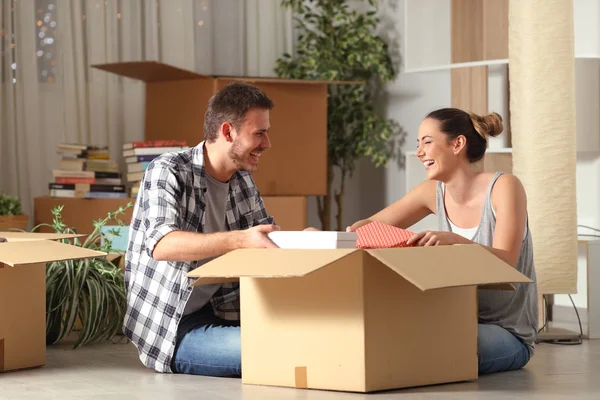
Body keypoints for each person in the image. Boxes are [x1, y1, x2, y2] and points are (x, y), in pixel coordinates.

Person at [347, 107, 538, 375]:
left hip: (507, 333)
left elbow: (507, 261)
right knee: (389, 339)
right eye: (418, 144)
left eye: (427, 142)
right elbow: (367, 228)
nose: (419, 153)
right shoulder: (432, 192)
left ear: (457, 143)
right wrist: (341, 233)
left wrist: (454, 241)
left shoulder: (504, 187)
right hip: (454, 320)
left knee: (414, 350)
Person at [124, 82, 281, 377]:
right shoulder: (166, 170)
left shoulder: (242, 180)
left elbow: (261, 242)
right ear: (227, 132)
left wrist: (301, 241)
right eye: (259, 133)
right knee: (276, 351)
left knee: (309, 336)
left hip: (225, 312)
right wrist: (240, 240)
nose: (267, 143)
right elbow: (162, 245)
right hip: (174, 326)